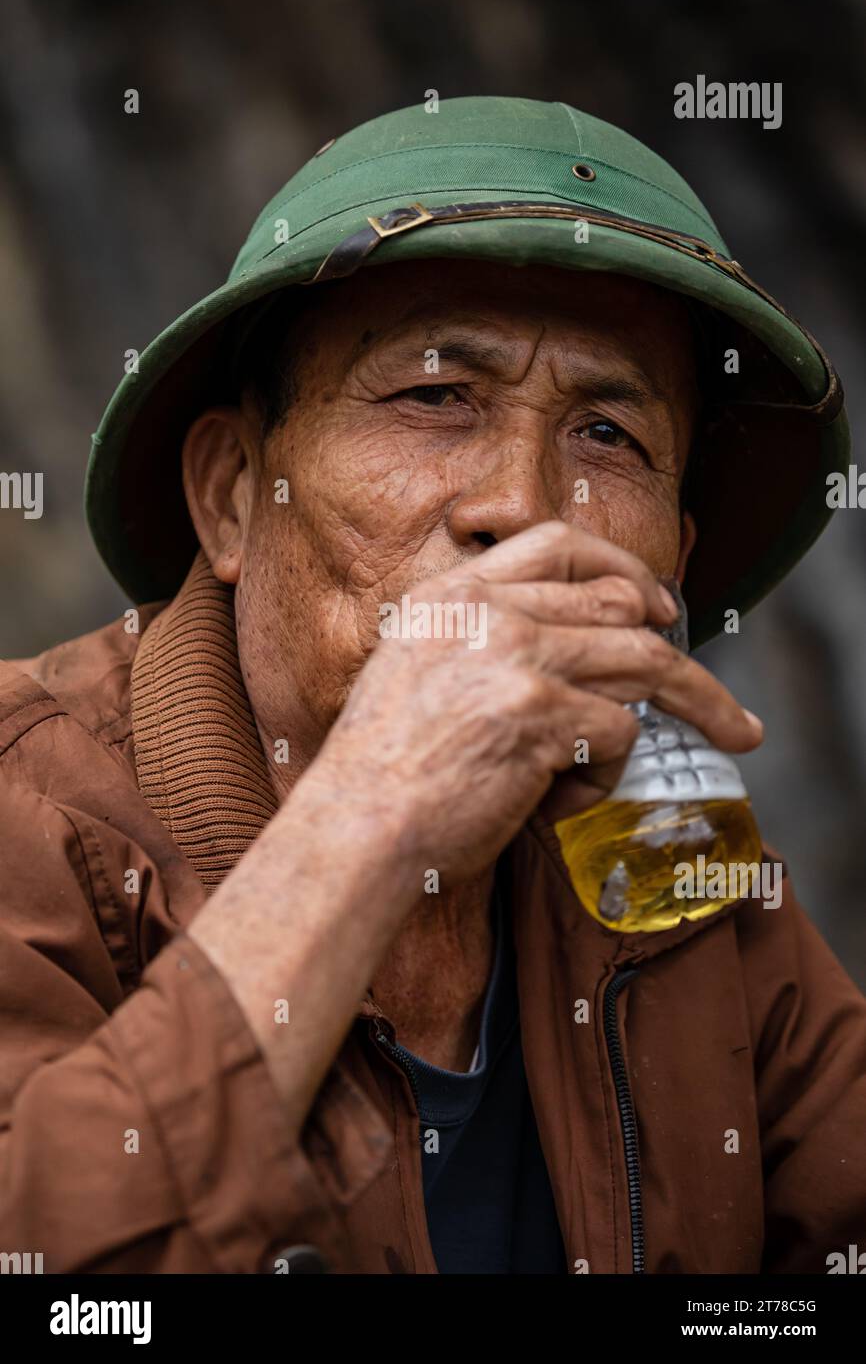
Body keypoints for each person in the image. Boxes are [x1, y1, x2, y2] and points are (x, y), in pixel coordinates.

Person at [1, 96, 862, 1275]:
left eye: (607, 433)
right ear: (235, 495)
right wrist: (368, 811)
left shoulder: (645, 817)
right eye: (431, 395)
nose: (517, 504)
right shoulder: (25, 810)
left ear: (666, 561)